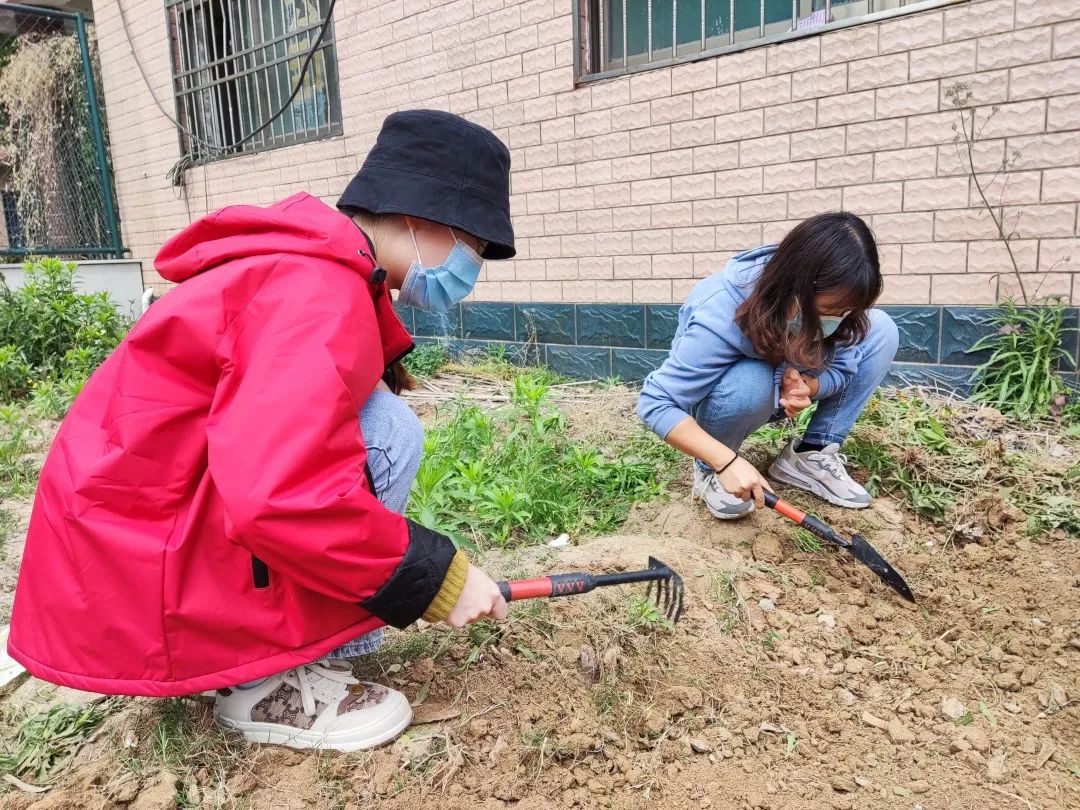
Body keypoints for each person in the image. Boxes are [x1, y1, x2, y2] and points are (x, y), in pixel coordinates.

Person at [9, 110, 515, 752]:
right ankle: (269, 679)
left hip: (136, 505)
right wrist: (435, 577)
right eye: (472, 247)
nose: (471, 269)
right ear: (421, 219)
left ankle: (310, 642)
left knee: (380, 422)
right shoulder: (314, 291)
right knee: (387, 435)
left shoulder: (319, 268)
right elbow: (281, 490)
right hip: (134, 537)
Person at [638, 212, 898, 520]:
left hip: (781, 388)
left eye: (848, 311)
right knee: (752, 381)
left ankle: (811, 452)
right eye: (830, 310)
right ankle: (711, 470)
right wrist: (726, 462)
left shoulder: (839, 312)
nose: (839, 320)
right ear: (796, 288)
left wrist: (807, 386)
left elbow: (843, 369)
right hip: (732, 397)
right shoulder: (721, 308)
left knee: (881, 328)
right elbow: (656, 402)